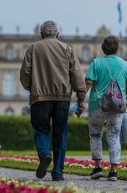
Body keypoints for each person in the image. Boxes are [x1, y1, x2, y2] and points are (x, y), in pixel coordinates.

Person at [20, 20, 86, 181]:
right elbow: (77, 75)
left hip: (39, 99)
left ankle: (44, 155)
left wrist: (33, 89)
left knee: (41, 130)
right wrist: (81, 98)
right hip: (62, 99)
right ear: (57, 34)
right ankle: (57, 172)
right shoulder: (66, 49)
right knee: (60, 134)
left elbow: (24, 74)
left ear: (42, 34)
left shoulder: (33, 48)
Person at [85, 36, 127, 181]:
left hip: (97, 105)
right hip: (117, 106)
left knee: (95, 135)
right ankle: (113, 171)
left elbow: (87, 83)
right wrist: (126, 104)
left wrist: (80, 100)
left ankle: (98, 167)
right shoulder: (125, 65)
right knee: (113, 136)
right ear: (117, 48)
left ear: (103, 49)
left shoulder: (96, 62)